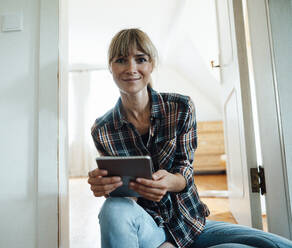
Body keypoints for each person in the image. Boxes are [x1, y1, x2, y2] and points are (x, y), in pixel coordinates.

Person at [87, 28, 292, 248]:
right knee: (113, 208)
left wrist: (169, 184)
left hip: (189, 223)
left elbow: (184, 170)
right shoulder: (102, 129)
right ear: (110, 67)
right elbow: (126, 205)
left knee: (278, 245)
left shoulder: (181, 107)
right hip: (149, 229)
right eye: (120, 60)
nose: (131, 68)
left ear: (151, 64)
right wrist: (108, 187)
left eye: (140, 59)